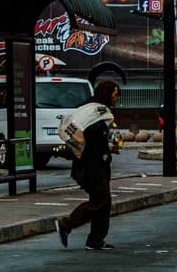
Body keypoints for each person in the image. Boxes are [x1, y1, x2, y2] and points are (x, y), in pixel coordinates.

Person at [56, 80, 120, 250]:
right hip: (91, 165)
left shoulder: (88, 108)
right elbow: (93, 136)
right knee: (101, 200)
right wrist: (107, 147)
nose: (117, 98)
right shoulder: (98, 113)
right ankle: (66, 224)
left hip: (90, 163)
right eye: (115, 94)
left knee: (103, 203)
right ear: (107, 94)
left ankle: (95, 240)